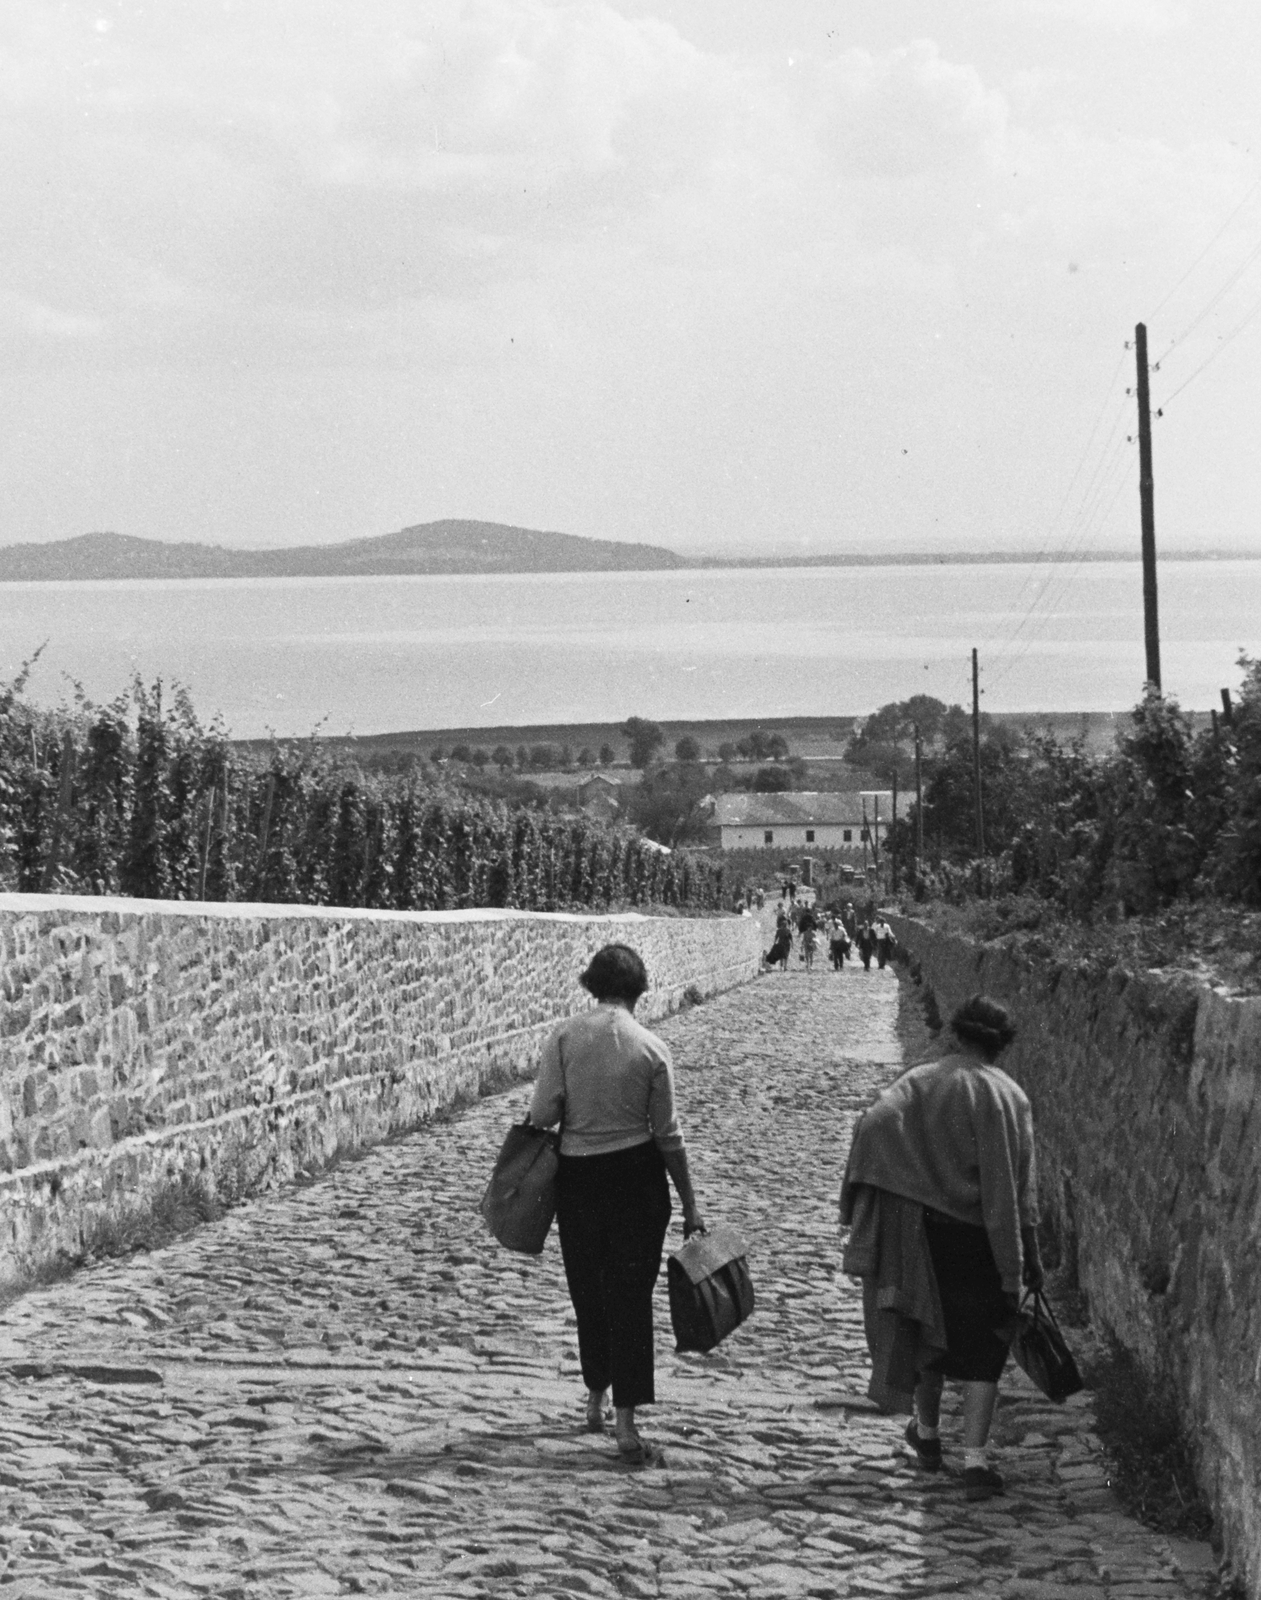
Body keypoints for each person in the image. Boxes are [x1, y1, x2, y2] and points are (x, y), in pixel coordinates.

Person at [838, 995, 1043, 1502]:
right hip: (981, 1239)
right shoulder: (1008, 1095)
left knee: (929, 1333)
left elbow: (873, 1122)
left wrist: (886, 1184)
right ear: (1002, 1044)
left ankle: (927, 1440)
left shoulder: (920, 1080)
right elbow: (1018, 1196)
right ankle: (975, 1463)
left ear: (956, 1032)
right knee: (984, 1350)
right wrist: (1026, 1262)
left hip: (922, 1235)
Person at [528, 944, 705, 1464]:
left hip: (580, 1180)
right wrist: (690, 1203)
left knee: (588, 1289)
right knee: (630, 1296)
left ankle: (594, 1396)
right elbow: (668, 1136)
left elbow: (543, 1112)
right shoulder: (652, 1048)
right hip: (637, 1183)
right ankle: (626, 1424)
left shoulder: (564, 1037)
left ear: (591, 984)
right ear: (639, 990)